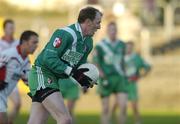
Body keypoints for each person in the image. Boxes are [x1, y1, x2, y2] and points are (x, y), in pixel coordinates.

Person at [27, 6, 102, 124]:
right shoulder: (65, 34)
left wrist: (84, 78)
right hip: (41, 74)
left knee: (36, 122)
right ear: (88, 22)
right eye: (97, 22)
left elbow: (79, 66)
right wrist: (71, 72)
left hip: (53, 79)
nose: (99, 26)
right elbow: (48, 58)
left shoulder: (88, 42)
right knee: (65, 119)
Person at [0, 30, 39, 124]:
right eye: (34, 42)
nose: (36, 45)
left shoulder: (26, 62)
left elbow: (29, 82)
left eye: (37, 43)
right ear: (25, 43)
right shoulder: (9, 54)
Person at [93, 21, 128, 124]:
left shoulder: (122, 44)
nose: (113, 32)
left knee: (123, 106)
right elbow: (95, 61)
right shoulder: (100, 45)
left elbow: (122, 61)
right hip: (106, 78)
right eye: (111, 30)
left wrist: (125, 74)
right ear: (107, 31)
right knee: (105, 108)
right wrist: (101, 73)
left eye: (115, 30)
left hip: (120, 78)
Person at [112, 41, 151, 124]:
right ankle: (111, 118)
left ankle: (138, 121)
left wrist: (140, 76)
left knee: (134, 106)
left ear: (132, 48)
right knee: (117, 104)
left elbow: (148, 67)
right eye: (127, 47)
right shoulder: (120, 58)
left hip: (132, 85)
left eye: (130, 47)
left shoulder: (136, 58)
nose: (128, 49)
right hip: (121, 84)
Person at [0, 19, 21, 124]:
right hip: (1, 80)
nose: (12, 30)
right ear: (4, 29)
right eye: (10, 28)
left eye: (13, 27)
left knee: (17, 104)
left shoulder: (18, 43)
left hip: (12, 80)